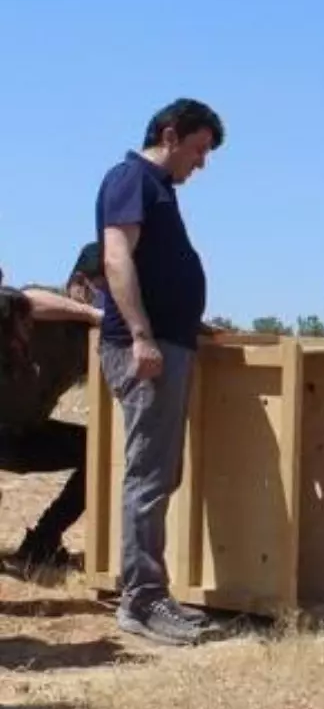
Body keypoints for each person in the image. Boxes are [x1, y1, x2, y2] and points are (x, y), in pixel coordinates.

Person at [95, 98, 224, 646]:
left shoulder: (159, 189)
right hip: (145, 351)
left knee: (159, 474)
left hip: (169, 346)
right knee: (148, 476)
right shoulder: (132, 178)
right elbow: (117, 256)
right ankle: (142, 602)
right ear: (170, 135)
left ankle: (151, 594)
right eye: (197, 149)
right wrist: (144, 335)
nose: (200, 163)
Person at [0, 270, 103, 572]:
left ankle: (42, 542)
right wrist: (95, 313)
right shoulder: (25, 308)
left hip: (26, 434)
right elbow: (30, 296)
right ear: (80, 283)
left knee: (96, 450)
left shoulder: (87, 337)